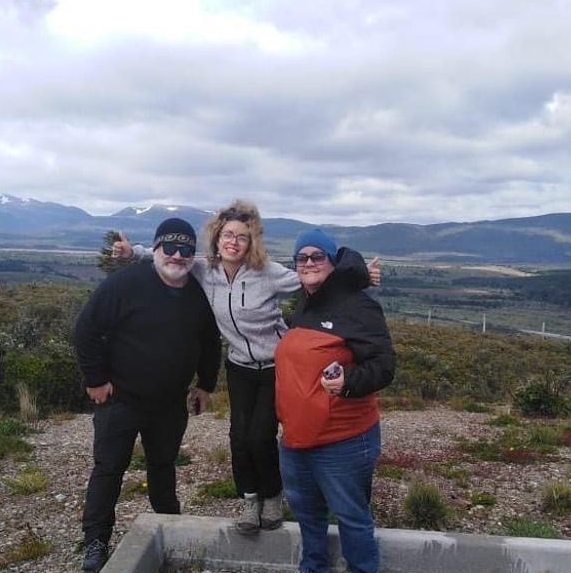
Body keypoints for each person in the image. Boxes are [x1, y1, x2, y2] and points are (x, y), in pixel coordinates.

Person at [114, 201, 380, 535]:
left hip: (274, 365)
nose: (234, 242)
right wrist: (130, 252)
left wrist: (358, 275)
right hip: (238, 365)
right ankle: (250, 499)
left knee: (260, 435)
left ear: (251, 241)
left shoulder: (267, 272)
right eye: (228, 235)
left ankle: (271, 496)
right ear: (216, 237)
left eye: (242, 237)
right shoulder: (203, 269)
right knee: (239, 438)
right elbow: (168, 258)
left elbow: (314, 276)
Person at [74, 217, 221, 573]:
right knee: (109, 468)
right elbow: (86, 329)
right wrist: (96, 379)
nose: (177, 255)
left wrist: (206, 384)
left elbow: (209, 341)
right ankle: (95, 540)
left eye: (185, 249)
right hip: (120, 399)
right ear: (155, 249)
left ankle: (169, 528)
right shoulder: (125, 284)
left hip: (170, 403)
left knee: (163, 467)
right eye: (169, 247)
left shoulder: (196, 292)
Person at [275, 228, 395, 573]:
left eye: (317, 257)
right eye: (301, 258)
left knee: (350, 514)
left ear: (332, 261)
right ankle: (315, 568)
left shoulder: (358, 306)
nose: (308, 263)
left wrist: (349, 383)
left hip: (343, 436)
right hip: (297, 435)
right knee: (306, 509)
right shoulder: (304, 304)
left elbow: (384, 365)